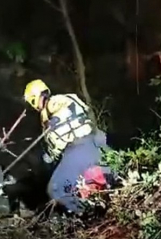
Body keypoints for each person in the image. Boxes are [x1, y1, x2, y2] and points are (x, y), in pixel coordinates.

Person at [23, 79, 110, 213]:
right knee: (105, 173)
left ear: (34, 99)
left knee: (55, 189)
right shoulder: (69, 97)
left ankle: (86, 214)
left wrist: (50, 157)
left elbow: (56, 142)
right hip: (94, 143)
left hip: (77, 150)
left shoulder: (49, 110)